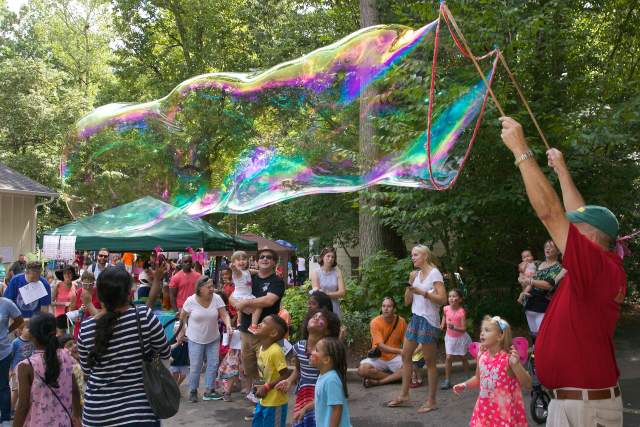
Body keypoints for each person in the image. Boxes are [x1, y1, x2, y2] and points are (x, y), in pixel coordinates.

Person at [500, 117, 626, 426]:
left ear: (591, 238)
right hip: (578, 404)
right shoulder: (602, 263)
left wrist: (521, 151)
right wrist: (561, 169)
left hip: (584, 409)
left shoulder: (596, 265)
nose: (568, 232)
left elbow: (550, 212)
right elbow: (578, 214)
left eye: (577, 229)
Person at [78, 266, 169, 426]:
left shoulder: (85, 329)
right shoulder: (144, 316)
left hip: (97, 415)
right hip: (140, 414)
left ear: (98, 295)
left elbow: (87, 370)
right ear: (129, 292)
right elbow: (164, 352)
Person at [387, 245, 447, 413]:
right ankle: (404, 395)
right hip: (415, 318)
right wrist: (410, 284)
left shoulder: (435, 273)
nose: (412, 258)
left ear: (425, 256)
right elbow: (407, 302)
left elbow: (443, 299)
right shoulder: (416, 274)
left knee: (430, 363)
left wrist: (423, 292)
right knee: (406, 355)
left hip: (429, 320)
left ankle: (432, 400)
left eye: (415, 255)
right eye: (412, 255)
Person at [453, 315, 531, 426]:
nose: (482, 333)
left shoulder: (508, 359)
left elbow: (527, 384)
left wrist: (517, 365)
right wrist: (465, 385)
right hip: (484, 412)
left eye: (487, 330)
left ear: (500, 336)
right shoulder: (482, 356)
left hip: (504, 415)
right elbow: (477, 378)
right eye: (482, 330)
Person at [233, 248, 285, 403]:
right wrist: (238, 304)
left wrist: (245, 303)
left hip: (266, 335)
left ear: (274, 262)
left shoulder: (276, 281)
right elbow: (232, 296)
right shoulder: (250, 277)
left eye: (269, 257)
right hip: (246, 330)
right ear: (256, 261)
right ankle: (251, 396)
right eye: (261, 257)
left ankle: (263, 399)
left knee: (265, 368)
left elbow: (268, 301)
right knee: (248, 366)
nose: (264, 259)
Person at [13, 312, 81, 427]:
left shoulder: (25, 366)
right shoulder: (66, 355)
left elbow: (23, 406)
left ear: (31, 335)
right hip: (64, 422)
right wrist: (76, 416)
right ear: (55, 332)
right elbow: (74, 390)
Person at [278, 309, 341, 427]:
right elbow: (298, 370)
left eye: (321, 318)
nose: (316, 318)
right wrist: (289, 380)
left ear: (328, 330)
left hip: (320, 392)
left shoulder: (326, 352)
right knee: (302, 421)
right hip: (304, 392)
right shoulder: (299, 346)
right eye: (314, 316)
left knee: (319, 421)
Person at [178, 276, 232, 403]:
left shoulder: (217, 298)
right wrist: (181, 332)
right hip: (195, 338)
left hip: (213, 337)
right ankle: (193, 390)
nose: (212, 289)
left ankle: (210, 390)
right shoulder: (190, 301)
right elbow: (182, 317)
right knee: (196, 366)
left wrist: (228, 324)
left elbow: (224, 314)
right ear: (200, 288)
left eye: (212, 286)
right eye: (208, 287)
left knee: (213, 364)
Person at [519, 240, 566, 340]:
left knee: (543, 338)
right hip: (529, 305)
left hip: (543, 307)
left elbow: (549, 285)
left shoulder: (558, 267)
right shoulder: (536, 264)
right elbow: (523, 276)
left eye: (551, 247)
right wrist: (521, 279)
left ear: (558, 251)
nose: (547, 248)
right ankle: (535, 355)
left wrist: (531, 281)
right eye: (546, 247)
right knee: (534, 338)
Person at [358, 297, 407, 387]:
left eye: (389, 306)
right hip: (378, 357)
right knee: (362, 370)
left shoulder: (401, 321)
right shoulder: (375, 322)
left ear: (394, 309)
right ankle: (395, 378)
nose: (386, 309)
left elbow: (406, 343)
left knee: (409, 368)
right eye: (383, 306)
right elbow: (381, 346)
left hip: (395, 357)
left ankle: (379, 382)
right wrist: (400, 351)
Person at [252, 314, 290, 427]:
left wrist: (267, 387)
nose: (259, 324)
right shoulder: (262, 348)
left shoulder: (275, 351)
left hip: (275, 401)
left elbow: (285, 374)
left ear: (273, 333)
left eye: (264, 323)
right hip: (264, 399)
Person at [311, 336, 352, 427]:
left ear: (326, 359)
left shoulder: (331, 380)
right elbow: (320, 400)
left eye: (317, 350)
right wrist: (305, 409)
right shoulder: (323, 376)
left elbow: (337, 409)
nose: (312, 352)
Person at [439, 289, 471, 389]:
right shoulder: (445, 308)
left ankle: (468, 378)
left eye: (454, 296)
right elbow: (444, 316)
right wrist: (442, 324)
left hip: (460, 338)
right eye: (450, 296)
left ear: (460, 299)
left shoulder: (461, 312)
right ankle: (447, 380)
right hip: (449, 338)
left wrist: (455, 327)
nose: (452, 299)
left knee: (463, 357)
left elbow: (464, 329)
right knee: (448, 358)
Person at [0, 296, 23, 424]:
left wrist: (7, 331)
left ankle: (5, 417)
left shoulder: (6, 303)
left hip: (3, 351)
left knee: (3, 385)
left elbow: (19, 319)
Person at [229, 251, 261, 334]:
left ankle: (239, 321)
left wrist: (259, 272)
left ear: (247, 260)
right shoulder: (238, 273)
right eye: (238, 260)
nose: (241, 261)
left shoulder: (246, 271)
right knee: (258, 307)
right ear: (234, 263)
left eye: (243, 259)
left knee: (240, 310)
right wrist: (233, 268)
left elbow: (252, 271)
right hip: (241, 296)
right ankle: (253, 326)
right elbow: (236, 271)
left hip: (245, 295)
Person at [310, 247, 345, 318]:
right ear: (322, 257)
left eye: (333, 257)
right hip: (321, 307)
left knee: (334, 327)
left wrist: (325, 294)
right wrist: (334, 294)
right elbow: (317, 295)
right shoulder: (316, 273)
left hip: (334, 306)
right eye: (328, 256)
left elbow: (342, 292)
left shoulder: (338, 272)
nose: (330, 259)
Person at [68, 271, 100, 339]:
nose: (88, 287)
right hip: (80, 327)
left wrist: (91, 307)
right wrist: (79, 311)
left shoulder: (99, 293)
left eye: (90, 284)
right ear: (81, 282)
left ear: (94, 282)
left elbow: (104, 310)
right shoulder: (76, 294)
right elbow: (71, 312)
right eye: (85, 284)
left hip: (95, 327)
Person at [10, 319, 32, 415]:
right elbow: (11, 356)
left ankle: (28, 408)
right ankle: (11, 409)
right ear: (21, 330)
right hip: (17, 370)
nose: (29, 330)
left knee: (28, 389)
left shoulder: (33, 341)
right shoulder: (15, 342)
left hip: (30, 369)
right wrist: (10, 370)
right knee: (16, 390)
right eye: (27, 328)